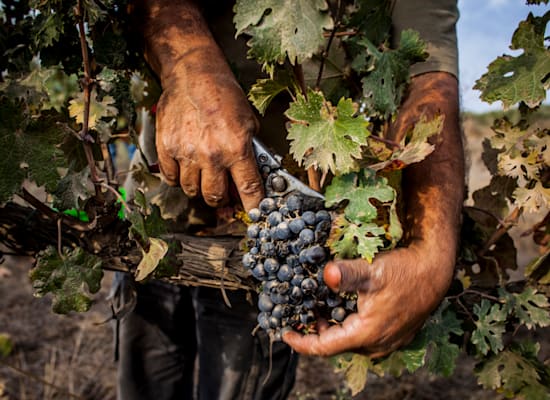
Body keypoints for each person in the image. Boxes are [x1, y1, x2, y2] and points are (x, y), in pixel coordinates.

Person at [114, 0, 465, 399]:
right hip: (155, 210)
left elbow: (429, 80)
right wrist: (185, 63)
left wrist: (432, 250)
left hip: (278, 237)